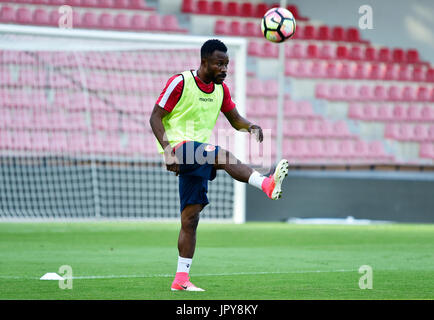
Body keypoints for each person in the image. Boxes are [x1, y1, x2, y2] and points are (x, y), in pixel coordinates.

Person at [149, 39, 289, 292]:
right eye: (219, 64)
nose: (224, 69)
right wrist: (168, 151)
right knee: (221, 154)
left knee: (190, 219)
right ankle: (266, 184)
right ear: (204, 62)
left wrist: (250, 126)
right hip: (179, 146)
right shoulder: (180, 82)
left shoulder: (221, 90)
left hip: (196, 152)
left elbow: (234, 119)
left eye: (226, 64)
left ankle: (181, 279)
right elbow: (155, 116)